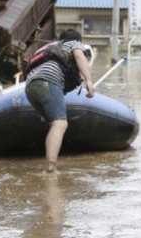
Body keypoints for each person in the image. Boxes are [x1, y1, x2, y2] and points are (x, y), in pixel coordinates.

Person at [24, 29, 95, 173]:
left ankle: (50, 160)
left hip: (30, 86)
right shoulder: (73, 43)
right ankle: (51, 168)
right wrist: (89, 80)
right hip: (48, 81)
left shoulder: (50, 49)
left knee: (53, 124)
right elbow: (79, 56)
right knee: (60, 123)